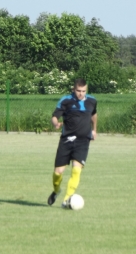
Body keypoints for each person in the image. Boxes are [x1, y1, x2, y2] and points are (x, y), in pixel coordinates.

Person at [47, 78, 97, 208]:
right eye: (78, 91)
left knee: (76, 169)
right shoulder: (66, 100)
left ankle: (67, 200)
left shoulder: (92, 100)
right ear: (73, 89)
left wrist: (94, 130)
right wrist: (55, 123)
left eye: (83, 91)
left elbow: (94, 115)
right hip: (66, 140)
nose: (81, 93)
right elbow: (55, 116)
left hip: (83, 140)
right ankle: (57, 191)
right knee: (58, 172)